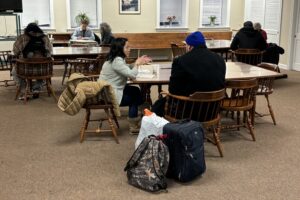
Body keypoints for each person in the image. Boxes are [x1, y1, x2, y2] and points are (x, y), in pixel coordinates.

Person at [151, 31, 226, 116]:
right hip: (213, 110)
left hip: (189, 110)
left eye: (186, 45)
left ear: (190, 46)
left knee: (158, 105)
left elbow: (173, 90)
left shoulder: (181, 60)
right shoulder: (220, 59)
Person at [98, 37, 152, 134]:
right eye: (127, 47)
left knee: (135, 90)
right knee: (134, 98)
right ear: (120, 48)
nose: (129, 49)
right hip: (109, 95)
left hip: (108, 90)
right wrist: (137, 64)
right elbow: (132, 74)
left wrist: (137, 62)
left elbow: (125, 68)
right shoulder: (117, 61)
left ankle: (144, 113)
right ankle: (134, 125)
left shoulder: (116, 59)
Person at [12, 22, 53, 99]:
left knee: (14, 72)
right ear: (38, 29)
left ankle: (24, 91)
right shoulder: (45, 38)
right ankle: (36, 89)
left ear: (27, 30)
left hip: (25, 70)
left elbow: (15, 51)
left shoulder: (22, 38)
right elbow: (50, 52)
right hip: (43, 70)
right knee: (42, 73)